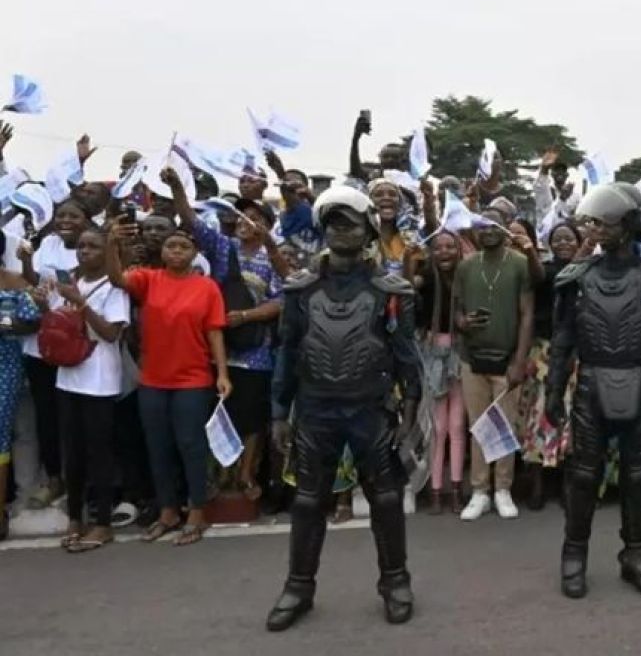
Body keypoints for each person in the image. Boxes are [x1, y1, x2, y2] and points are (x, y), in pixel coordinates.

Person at [266, 185, 421, 631]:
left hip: (370, 409)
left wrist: (410, 406)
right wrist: (279, 411)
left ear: (369, 228)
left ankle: (395, 582)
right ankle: (298, 587)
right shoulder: (301, 290)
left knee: (386, 498)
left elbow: (405, 352)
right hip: (315, 409)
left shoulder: (392, 290)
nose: (339, 230)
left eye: (348, 222)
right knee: (308, 501)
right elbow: (287, 351)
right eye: (332, 222)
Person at [546, 182, 641, 599]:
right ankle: (574, 554)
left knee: (638, 476)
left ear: (630, 224)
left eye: (607, 221)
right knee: (583, 475)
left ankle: (635, 553)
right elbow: (564, 338)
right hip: (590, 384)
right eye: (595, 221)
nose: (598, 229)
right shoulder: (577, 278)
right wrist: (553, 390)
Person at [106, 219, 232, 547]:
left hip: (192, 379)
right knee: (157, 446)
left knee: (191, 446)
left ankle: (197, 511)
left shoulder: (206, 287)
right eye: (171, 246)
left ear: (194, 254)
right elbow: (116, 278)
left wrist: (222, 373)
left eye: (183, 247)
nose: (176, 251)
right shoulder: (149, 279)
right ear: (162, 252)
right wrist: (111, 245)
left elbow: (214, 332)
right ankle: (168, 511)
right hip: (153, 379)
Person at [170, 174, 286, 502]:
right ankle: (221, 474)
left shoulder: (274, 256)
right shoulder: (223, 247)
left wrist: (245, 316)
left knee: (251, 417)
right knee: (220, 413)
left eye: (255, 217)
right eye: (241, 215)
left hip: (256, 350)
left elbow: (281, 300)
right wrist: (178, 187)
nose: (245, 222)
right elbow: (192, 222)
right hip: (217, 346)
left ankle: (247, 473)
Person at [35, 227, 131, 553]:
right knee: (72, 453)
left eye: (93, 246)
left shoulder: (114, 289)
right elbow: (59, 327)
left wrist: (83, 305)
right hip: (67, 379)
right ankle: (75, 517)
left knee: (98, 454)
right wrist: (43, 305)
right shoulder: (70, 283)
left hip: (99, 383)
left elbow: (111, 334)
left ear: (107, 252)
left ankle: (102, 523)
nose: (85, 251)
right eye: (82, 246)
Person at [454, 207, 533, 521]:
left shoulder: (520, 264)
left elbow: (527, 314)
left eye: (494, 225)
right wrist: (463, 322)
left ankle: (502, 488)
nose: (487, 230)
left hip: (507, 357)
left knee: (503, 426)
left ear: (505, 230)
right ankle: (479, 491)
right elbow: (456, 310)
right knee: (477, 427)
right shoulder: (466, 265)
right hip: (472, 358)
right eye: (481, 225)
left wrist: (520, 360)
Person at [19, 198, 91, 510]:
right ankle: (54, 478)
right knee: (47, 416)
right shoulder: (46, 244)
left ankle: (82, 483)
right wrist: (25, 263)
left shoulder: (92, 246)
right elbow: (35, 281)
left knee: (75, 417)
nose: (66, 221)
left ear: (86, 220)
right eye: (61, 215)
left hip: (79, 347)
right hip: (41, 347)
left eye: (74, 216)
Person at [520, 222, 582, 510]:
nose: (563, 243)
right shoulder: (544, 270)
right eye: (557, 239)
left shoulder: (589, 271)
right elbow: (537, 276)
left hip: (577, 352)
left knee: (572, 415)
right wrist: (531, 251)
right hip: (544, 350)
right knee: (540, 416)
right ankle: (537, 484)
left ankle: (569, 483)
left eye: (570, 238)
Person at [417, 230, 466, 515]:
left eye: (451, 246)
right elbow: (410, 286)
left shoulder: (466, 278)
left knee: (457, 426)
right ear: (431, 252)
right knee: (438, 428)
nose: (445, 252)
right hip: (432, 352)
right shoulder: (426, 279)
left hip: (460, 353)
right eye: (439, 247)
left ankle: (457, 488)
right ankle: (436, 490)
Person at [0, 263, 42, 541]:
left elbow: (33, 321)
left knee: (3, 438)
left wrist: (4, 324)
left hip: (6, 367)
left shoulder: (14, 283)